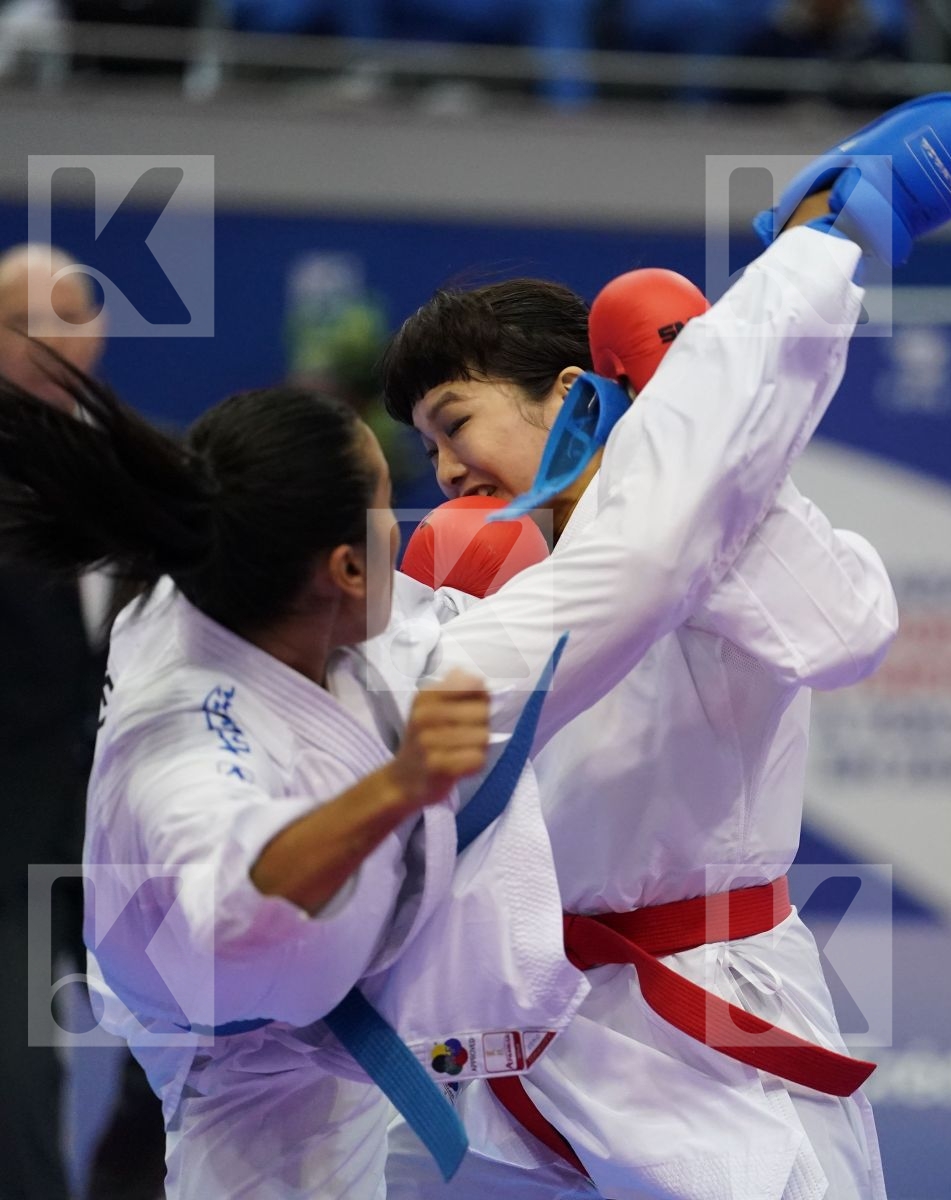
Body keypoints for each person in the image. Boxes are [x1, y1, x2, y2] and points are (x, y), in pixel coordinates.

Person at [0, 210, 866, 1196]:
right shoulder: (187, 742)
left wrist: (801, 262)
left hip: (433, 1013)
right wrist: (398, 788)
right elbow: (233, 905)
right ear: (338, 570)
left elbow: (647, 555)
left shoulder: (282, 599)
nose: (430, 507)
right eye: (385, 502)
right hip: (249, 1056)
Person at [380, 90, 951, 1200]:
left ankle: (829, 228)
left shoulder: (712, 535)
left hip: (710, 997)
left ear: (573, 394)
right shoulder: (460, 562)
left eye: (455, 422)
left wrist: (700, 412)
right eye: (424, 444)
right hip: (523, 1008)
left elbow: (850, 632)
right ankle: (827, 228)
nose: (441, 467)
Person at [0, 244, 120, 1200]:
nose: (49, 340)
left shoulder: (157, 468)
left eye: (67, 316)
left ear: (99, 332)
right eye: (20, 321)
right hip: (8, 839)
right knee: (17, 1083)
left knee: (203, 1049)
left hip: (136, 827)